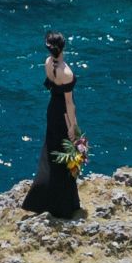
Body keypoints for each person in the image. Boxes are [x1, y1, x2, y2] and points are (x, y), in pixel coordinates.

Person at [23, 32, 84, 218]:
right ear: (63, 47)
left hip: (52, 111)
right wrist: (73, 127)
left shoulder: (48, 63)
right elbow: (69, 103)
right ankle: (64, 205)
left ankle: (42, 198)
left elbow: (51, 86)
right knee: (66, 156)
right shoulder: (67, 73)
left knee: (51, 153)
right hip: (64, 115)